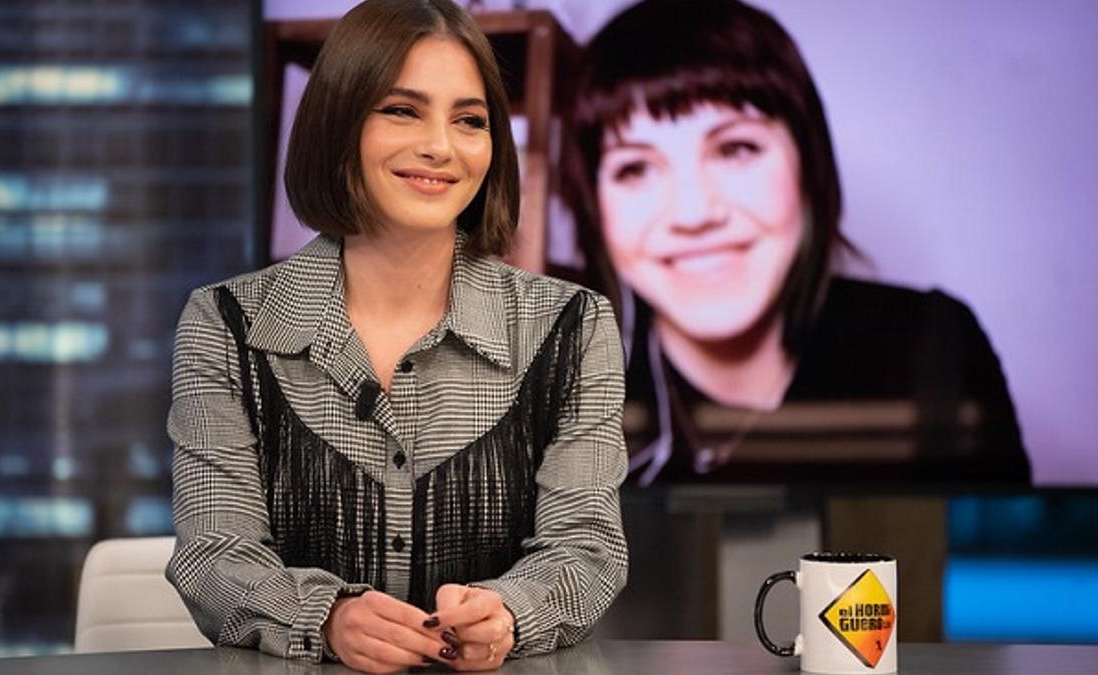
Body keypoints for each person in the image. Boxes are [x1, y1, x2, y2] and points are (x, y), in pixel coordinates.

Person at [165, 0, 628, 671]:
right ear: (337, 124)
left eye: (469, 120)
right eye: (401, 110)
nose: (441, 146)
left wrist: (507, 614)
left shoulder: (572, 326)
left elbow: (585, 550)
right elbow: (215, 554)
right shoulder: (225, 326)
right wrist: (324, 618)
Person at [561, 0, 1029, 485]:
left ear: (808, 167)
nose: (694, 213)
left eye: (735, 149)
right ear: (594, 207)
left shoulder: (935, 349)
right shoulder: (558, 406)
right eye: (635, 168)